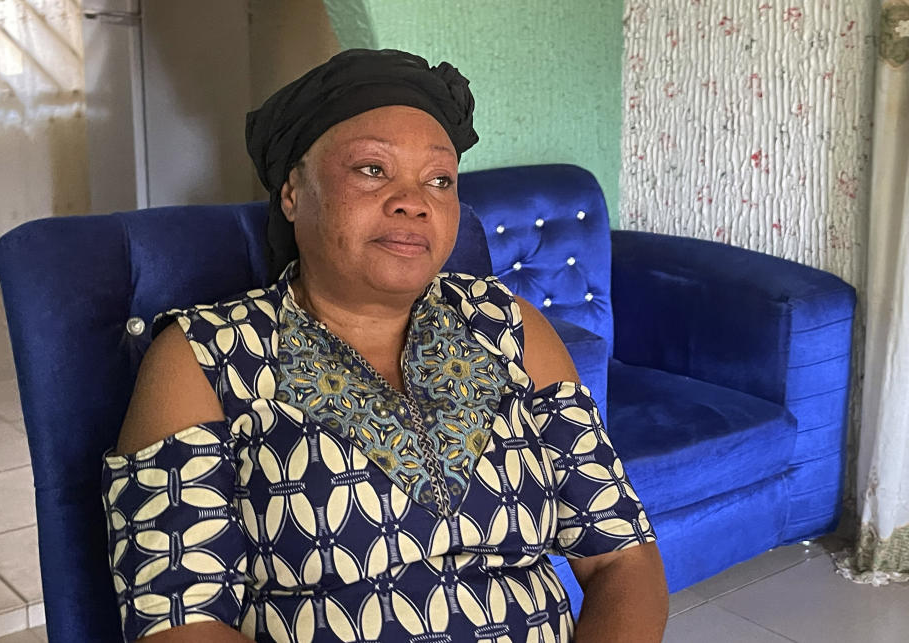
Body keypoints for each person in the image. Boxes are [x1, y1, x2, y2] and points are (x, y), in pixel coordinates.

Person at [102, 48, 668, 642]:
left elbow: (622, 556)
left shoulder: (506, 324)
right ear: (293, 192)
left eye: (439, 179)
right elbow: (179, 621)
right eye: (372, 169)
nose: (412, 200)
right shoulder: (203, 355)